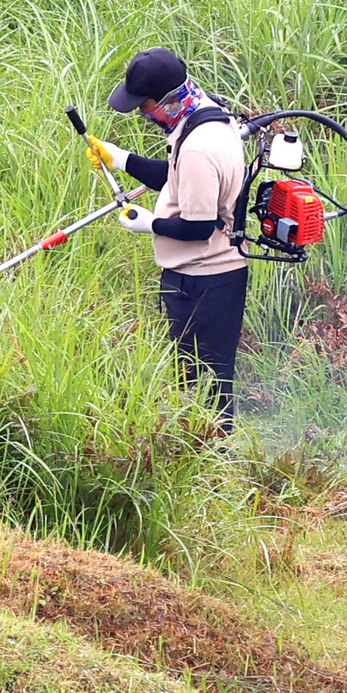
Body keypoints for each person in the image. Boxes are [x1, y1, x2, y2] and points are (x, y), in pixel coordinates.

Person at [91, 47, 251, 434]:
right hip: (215, 278)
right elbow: (180, 181)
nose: (143, 115)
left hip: (202, 281)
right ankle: (204, 461)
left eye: (144, 106)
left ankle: (211, 466)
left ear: (164, 100)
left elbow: (198, 226)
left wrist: (151, 224)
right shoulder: (207, 116)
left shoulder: (197, 146)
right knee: (202, 383)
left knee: (203, 389)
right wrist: (122, 159)